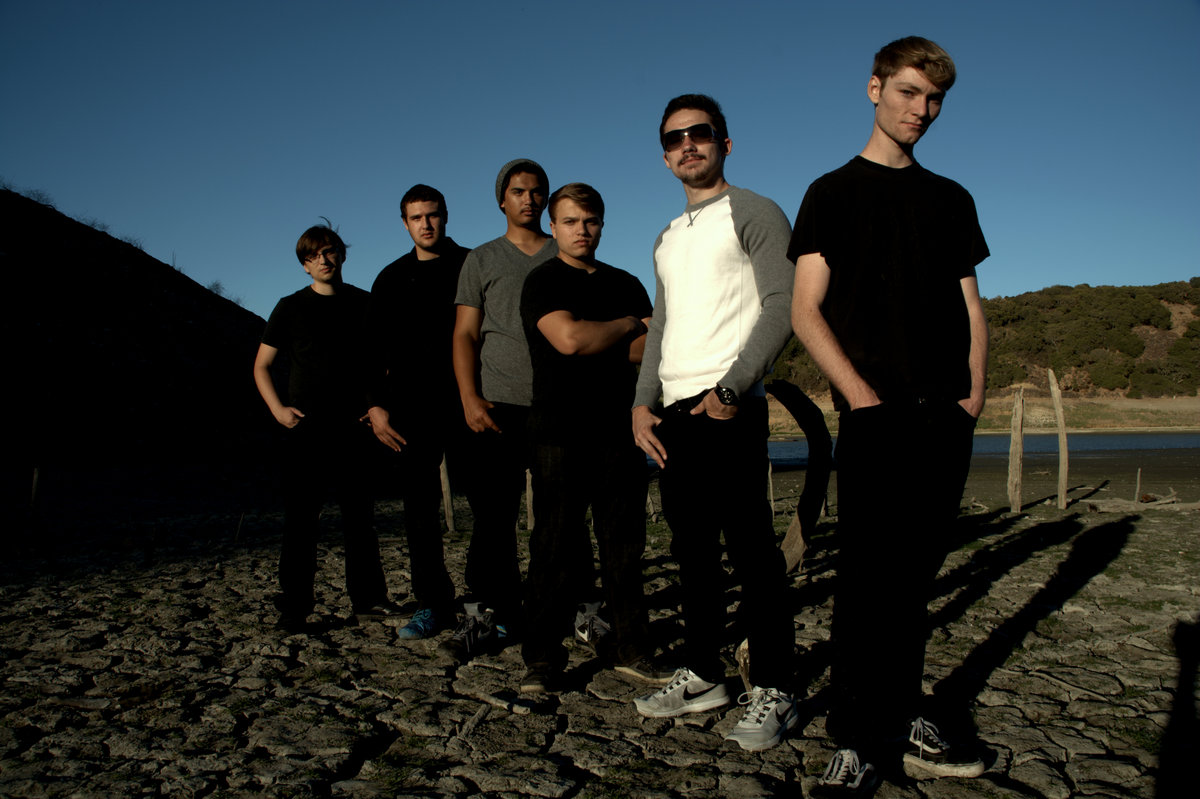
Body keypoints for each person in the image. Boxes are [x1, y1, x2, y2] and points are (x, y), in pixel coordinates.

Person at [789, 36, 990, 794]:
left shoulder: (951, 198)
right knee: (867, 581)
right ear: (874, 89)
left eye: (934, 99)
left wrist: (972, 396)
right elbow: (806, 310)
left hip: (946, 414)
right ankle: (853, 736)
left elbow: (972, 308)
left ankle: (904, 713)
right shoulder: (831, 193)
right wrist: (861, 398)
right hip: (875, 417)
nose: (922, 110)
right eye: (908, 92)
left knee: (914, 578)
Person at [631, 94, 797, 751]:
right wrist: (641, 403)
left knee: (752, 552)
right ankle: (703, 673)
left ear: (725, 143)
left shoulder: (754, 211)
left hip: (726, 405)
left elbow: (782, 302)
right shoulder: (667, 236)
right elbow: (662, 326)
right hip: (673, 414)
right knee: (693, 554)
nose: (687, 145)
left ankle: (776, 685)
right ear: (663, 156)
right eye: (674, 139)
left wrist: (732, 387)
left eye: (699, 133)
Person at [517, 182, 671, 693]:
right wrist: (626, 324)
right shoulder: (542, 281)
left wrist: (595, 334)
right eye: (570, 221)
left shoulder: (625, 281)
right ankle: (542, 658)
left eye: (590, 221)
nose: (581, 230)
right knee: (553, 548)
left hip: (618, 430)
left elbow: (649, 351)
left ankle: (632, 648)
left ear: (602, 224)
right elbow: (568, 339)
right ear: (553, 227)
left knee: (624, 549)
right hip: (559, 433)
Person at [253, 223, 401, 632]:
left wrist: (377, 402)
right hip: (307, 429)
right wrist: (277, 410)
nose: (323, 259)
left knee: (360, 517)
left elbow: (385, 361)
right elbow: (261, 366)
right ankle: (294, 607)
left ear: (342, 254)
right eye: (313, 255)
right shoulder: (290, 307)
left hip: (354, 427)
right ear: (304, 265)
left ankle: (369, 601)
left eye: (329, 251)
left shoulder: (364, 303)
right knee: (301, 519)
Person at [445, 159, 561, 663]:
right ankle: (490, 612)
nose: (528, 199)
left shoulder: (565, 250)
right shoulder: (482, 259)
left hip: (558, 404)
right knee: (494, 517)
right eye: (518, 191)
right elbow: (465, 334)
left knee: (560, 516)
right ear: (502, 200)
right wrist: (469, 397)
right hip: (496, 404)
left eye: (537, 191)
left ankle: (568, 608)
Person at [365, 185, 471, 640]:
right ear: (405, 223)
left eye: (432, 215)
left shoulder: (471, 264)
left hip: (468, 400)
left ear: (445, 216)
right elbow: (372, 350)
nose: (426, 224)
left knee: (488, 504)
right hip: (411, 407)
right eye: (416, 217)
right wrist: (375, 405)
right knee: (419, 512)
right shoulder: (390, 279)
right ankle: (433, 603)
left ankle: (491, 598)